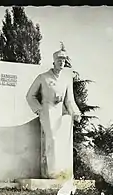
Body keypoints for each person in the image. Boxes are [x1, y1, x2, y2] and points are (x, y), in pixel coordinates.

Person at [26, 46, 81, 179]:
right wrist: (39, 110)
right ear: (54, 61)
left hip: (61, 113)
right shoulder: (43, 77)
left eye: (63, 60)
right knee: (53, 139)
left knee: (63, 141)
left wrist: (76, 112)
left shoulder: (67, 79)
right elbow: (30, 95)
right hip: (47, 111)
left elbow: (69, 101)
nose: (61, 62)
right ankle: (52, 171)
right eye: (59, 60)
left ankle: (63, 171)